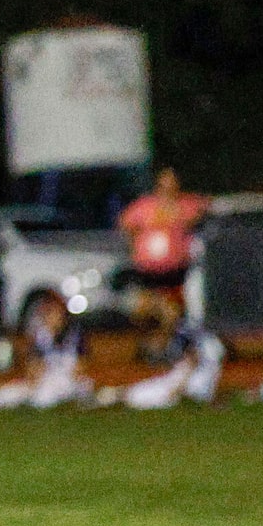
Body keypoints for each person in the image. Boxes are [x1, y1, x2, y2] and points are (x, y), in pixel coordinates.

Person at [117, 167, 207, 357]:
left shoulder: (187, 204)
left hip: (174, 274)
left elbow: (198, 213)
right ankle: (147, 345)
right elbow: (126, 223)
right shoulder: (144, 206)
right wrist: (137, 245)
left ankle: (165, 347)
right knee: (140, 310)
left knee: (171, 313)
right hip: (148, 273)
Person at [0, 290, 91, 412]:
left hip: (70, 382)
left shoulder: (74, 336)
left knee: (41, 398)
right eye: (46, 312)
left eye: (52, 312)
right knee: (22, 389)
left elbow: (80, 368)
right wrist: (37, 377)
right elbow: (33, 366)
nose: (47, 317)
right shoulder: (42, 336)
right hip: (46, 379)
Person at [109, 293, 223, 409]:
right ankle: (113, 397)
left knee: (188, 392)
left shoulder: (188, 329)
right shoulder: (171, 330)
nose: (169, 312)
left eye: (171, 308)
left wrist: (177, 389)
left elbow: (194, 362)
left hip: (196, 376)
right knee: (138, 394)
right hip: (180, 377)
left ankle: (113, 397)